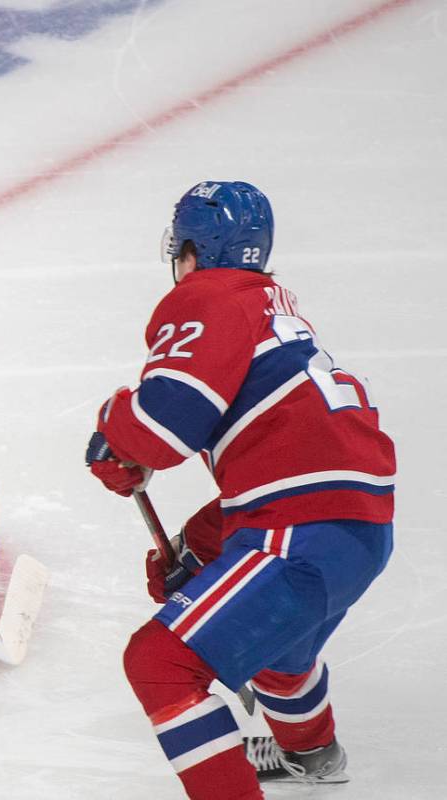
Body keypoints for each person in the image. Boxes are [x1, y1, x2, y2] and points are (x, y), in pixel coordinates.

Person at [85, 181, 395, 799]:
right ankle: (312, 754)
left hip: (300, 532)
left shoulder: (209, 296)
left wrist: (113, 429)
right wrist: (197, 546)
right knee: (278, 644)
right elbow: (290, 465)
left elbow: (163, 426)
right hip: (358, 526)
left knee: (159, 663)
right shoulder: (273, 310)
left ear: (195, 250)